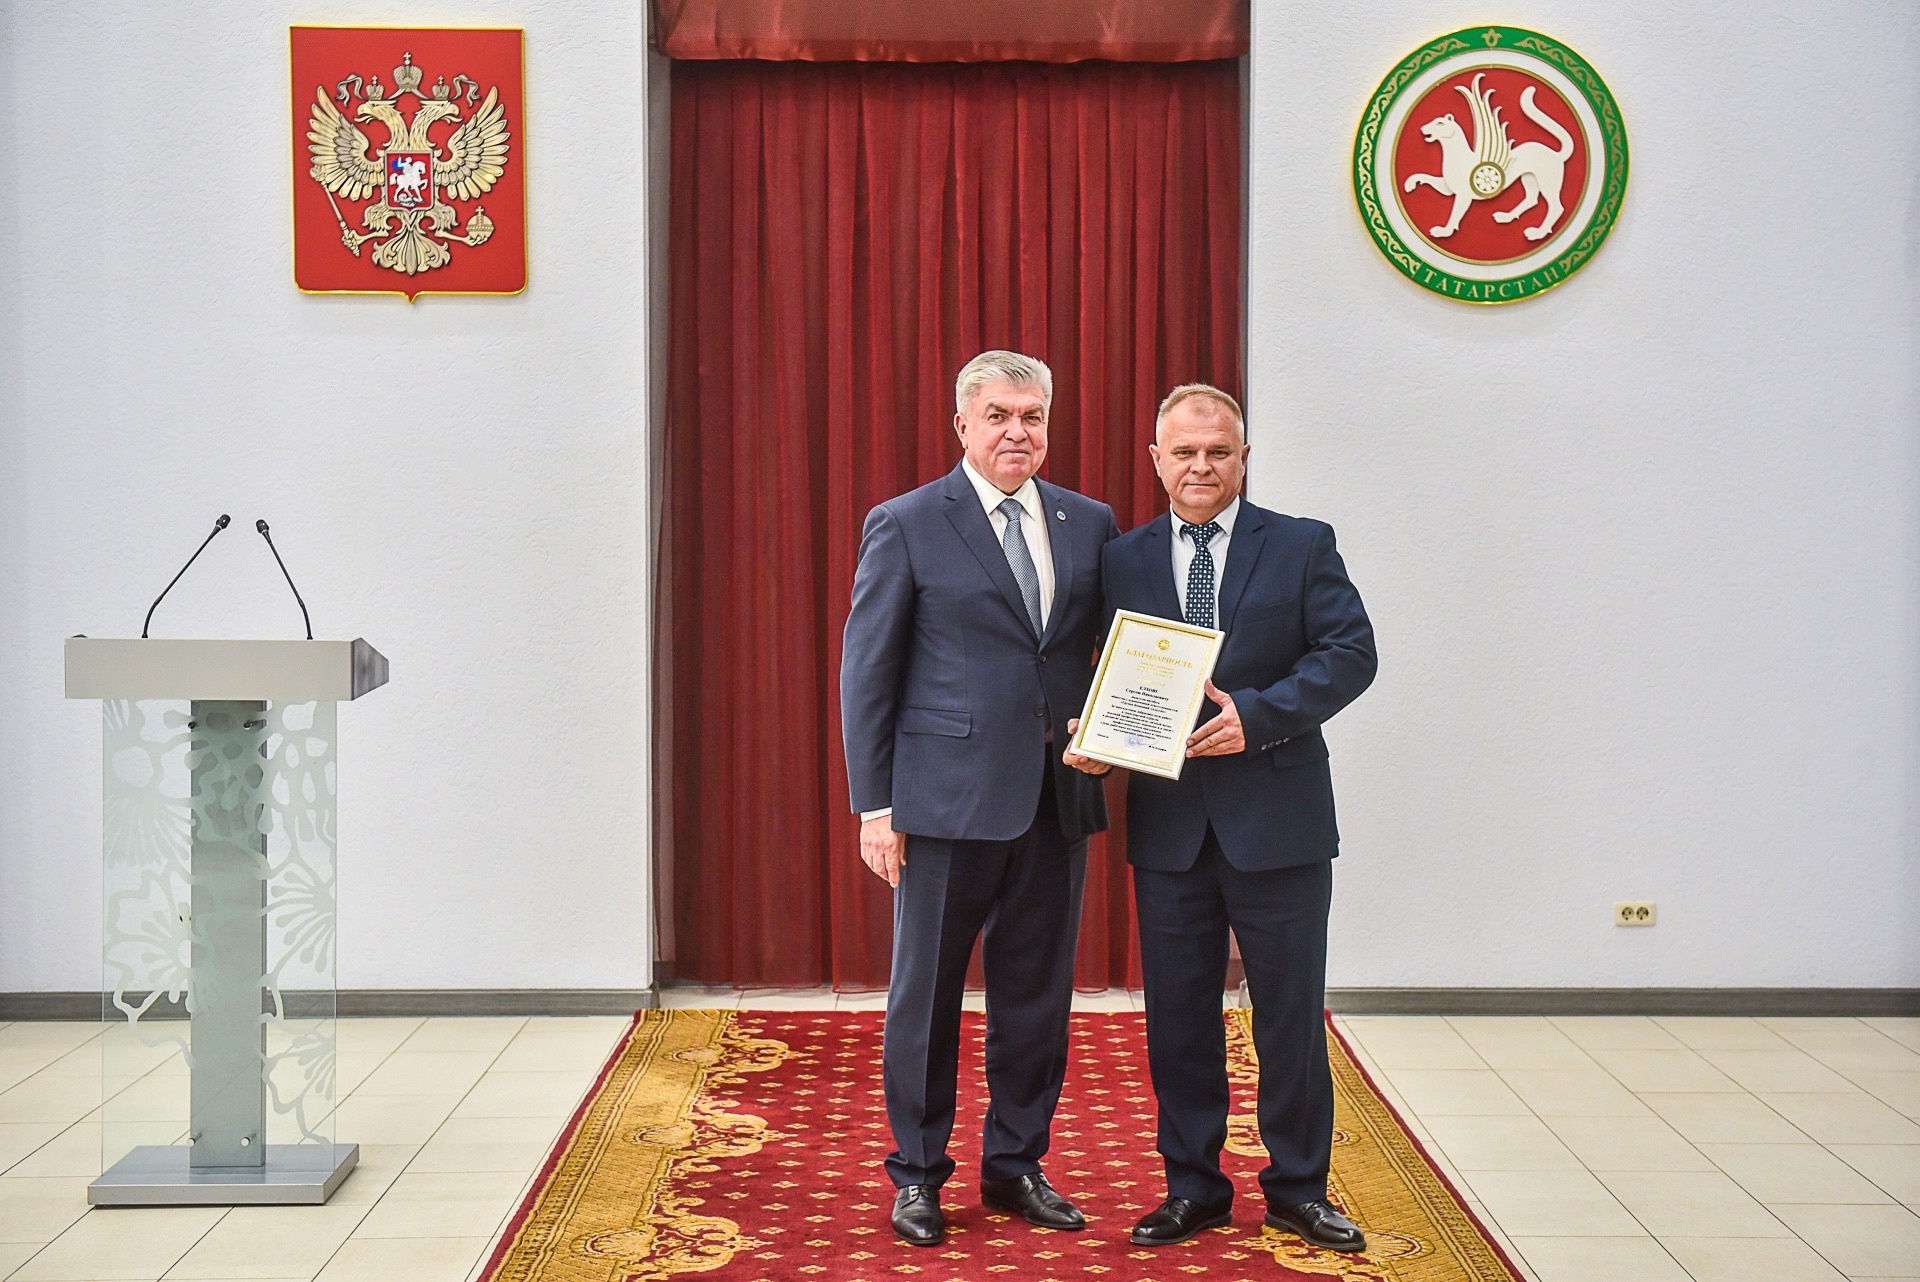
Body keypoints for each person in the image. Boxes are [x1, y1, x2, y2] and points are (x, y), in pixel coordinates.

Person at [1067, 384, 1377, 1251]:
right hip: (1170, 826)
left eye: (1218, 452)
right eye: (1185, 452)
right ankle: (1193, 1188)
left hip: (1280, 820)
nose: (1201, 466)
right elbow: (1101, 671)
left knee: (1288, 1016)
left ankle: (1299, 1190)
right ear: (1156, 460)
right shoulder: (1120, 559)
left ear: (1243, 458)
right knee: (1179, 1021)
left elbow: (1352, 653)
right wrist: (1094, 736)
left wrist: (1262, 716)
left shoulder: (1302, 544)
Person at [840, 350, 1121, 1248]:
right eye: (998, 415)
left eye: (1032, 416)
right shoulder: (907, 522)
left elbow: (1108, 651)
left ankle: (1016, 1165)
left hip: (1055, 800)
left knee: (1036, 999)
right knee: (924, 999)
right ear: (962, 425)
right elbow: (867, 674)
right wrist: (874, 808)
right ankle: (918, 1174)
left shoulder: (1088, 522)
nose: (1016, 432)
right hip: (942, 806)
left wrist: (1114, 729)